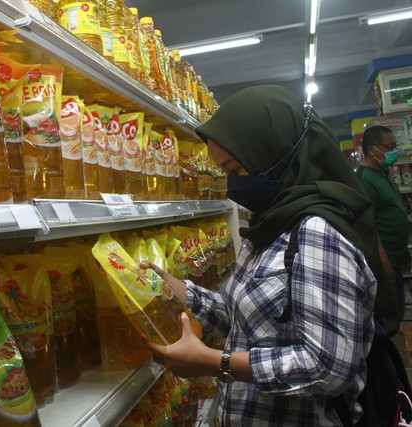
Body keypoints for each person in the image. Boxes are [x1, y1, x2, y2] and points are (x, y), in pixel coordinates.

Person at [141, 85, 399, 425]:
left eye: (235, 169)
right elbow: (252, 322)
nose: (231, 185)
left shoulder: (317, 233)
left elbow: (328, 367)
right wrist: (183, 292)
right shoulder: (270, 223)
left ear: (276, 152)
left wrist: (217, 362)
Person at [357, 125, 410, 322]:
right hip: (384, 261)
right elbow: (367, 225)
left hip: (396, 256)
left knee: (398, 309)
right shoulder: (365, 180)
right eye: (390, 146)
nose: (394, 151)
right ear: (372, 149)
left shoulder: (384, 173)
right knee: (390, 316)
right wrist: (383, 261)